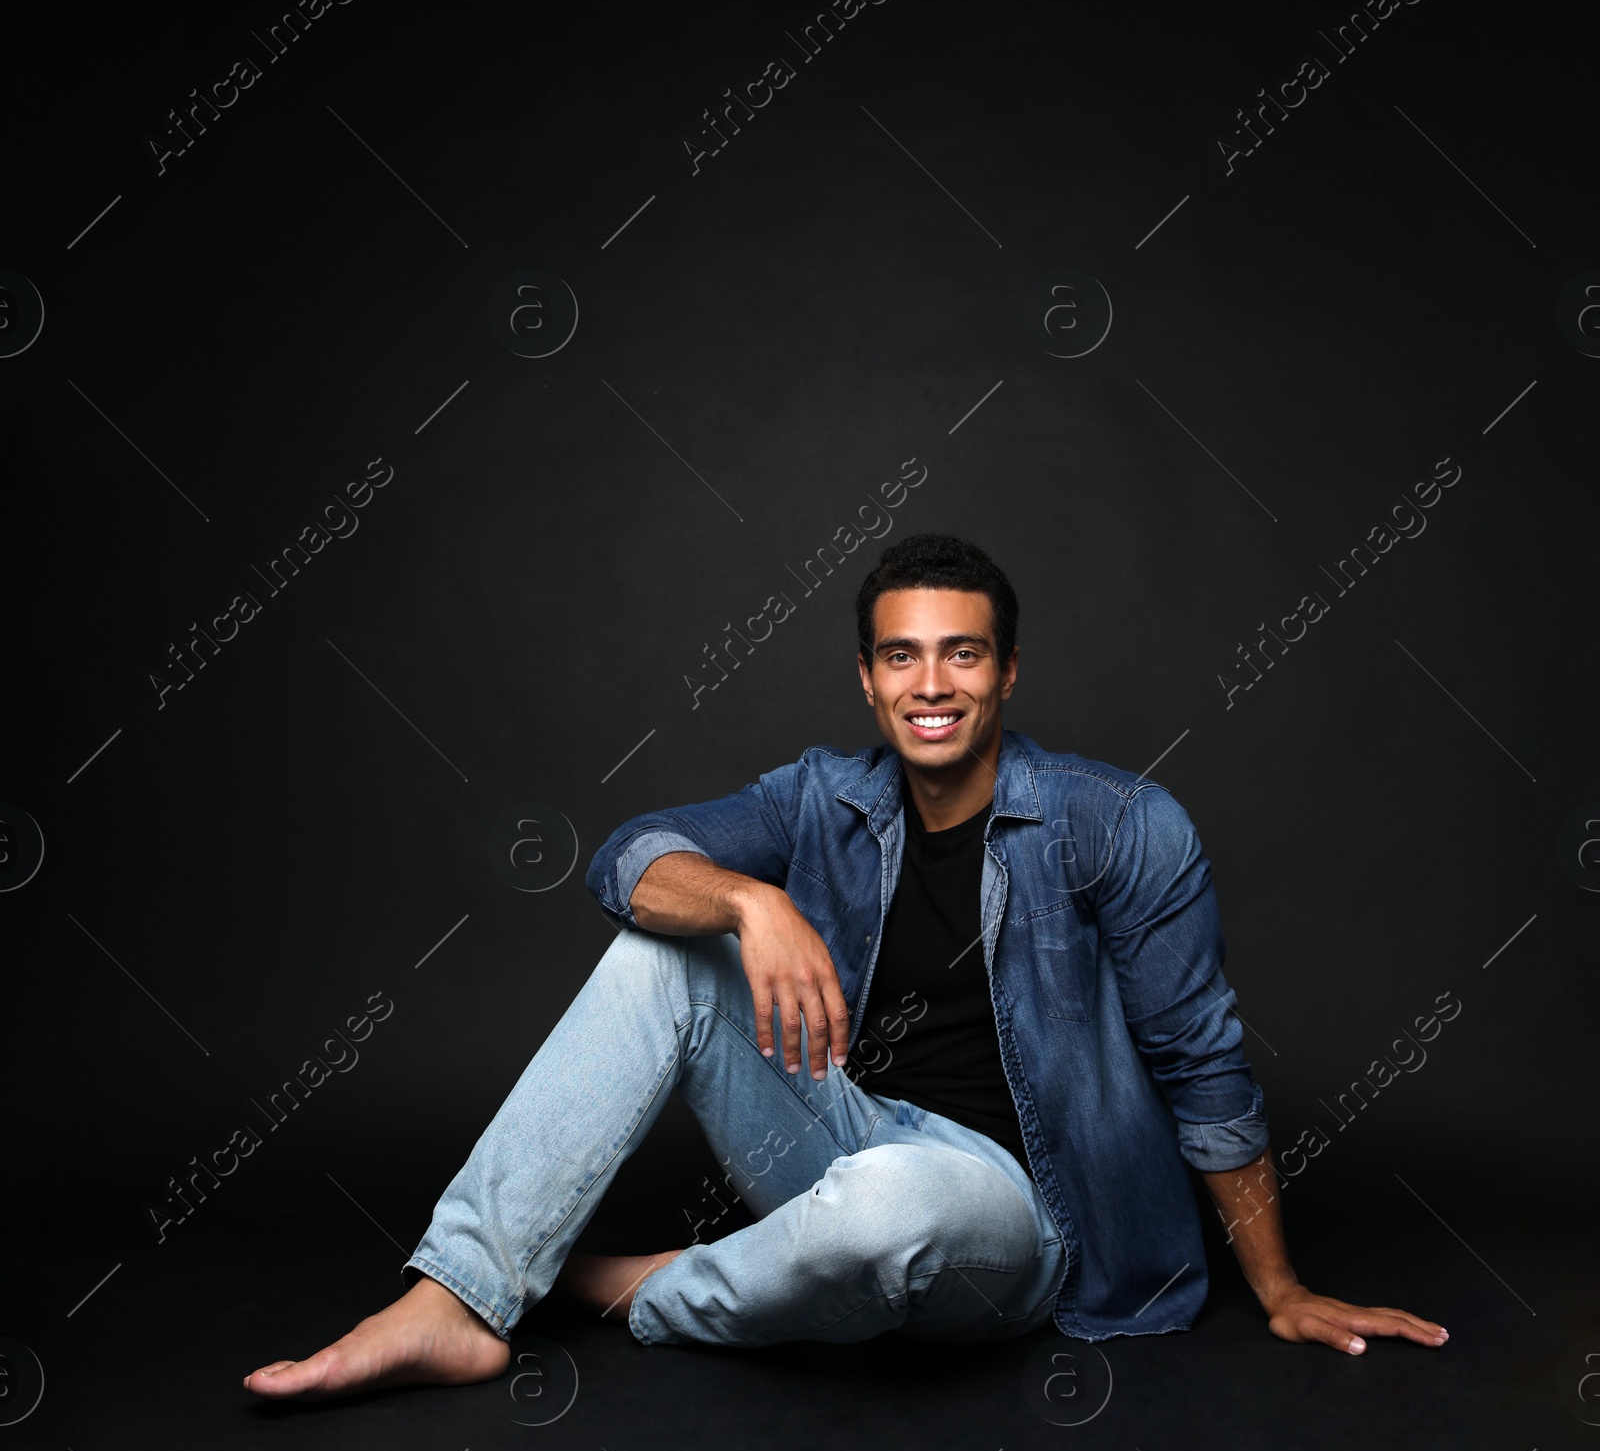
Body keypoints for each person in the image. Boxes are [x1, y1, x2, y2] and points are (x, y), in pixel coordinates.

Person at [244, 532, 1446, 1398]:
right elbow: (625, 859)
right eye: (903, 659)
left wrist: (1279, 1289)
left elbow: (1204, 1066)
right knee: (661, 945)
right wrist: (748, 901)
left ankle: (613, 1283)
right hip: (849, 1128)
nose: (932, 686)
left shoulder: (1120, 827)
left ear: (1008, 672)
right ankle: (458, 1295)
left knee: (891, 1208)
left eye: (963, 656)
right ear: (867, 680)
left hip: (1021, 1219)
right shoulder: (820, 796)